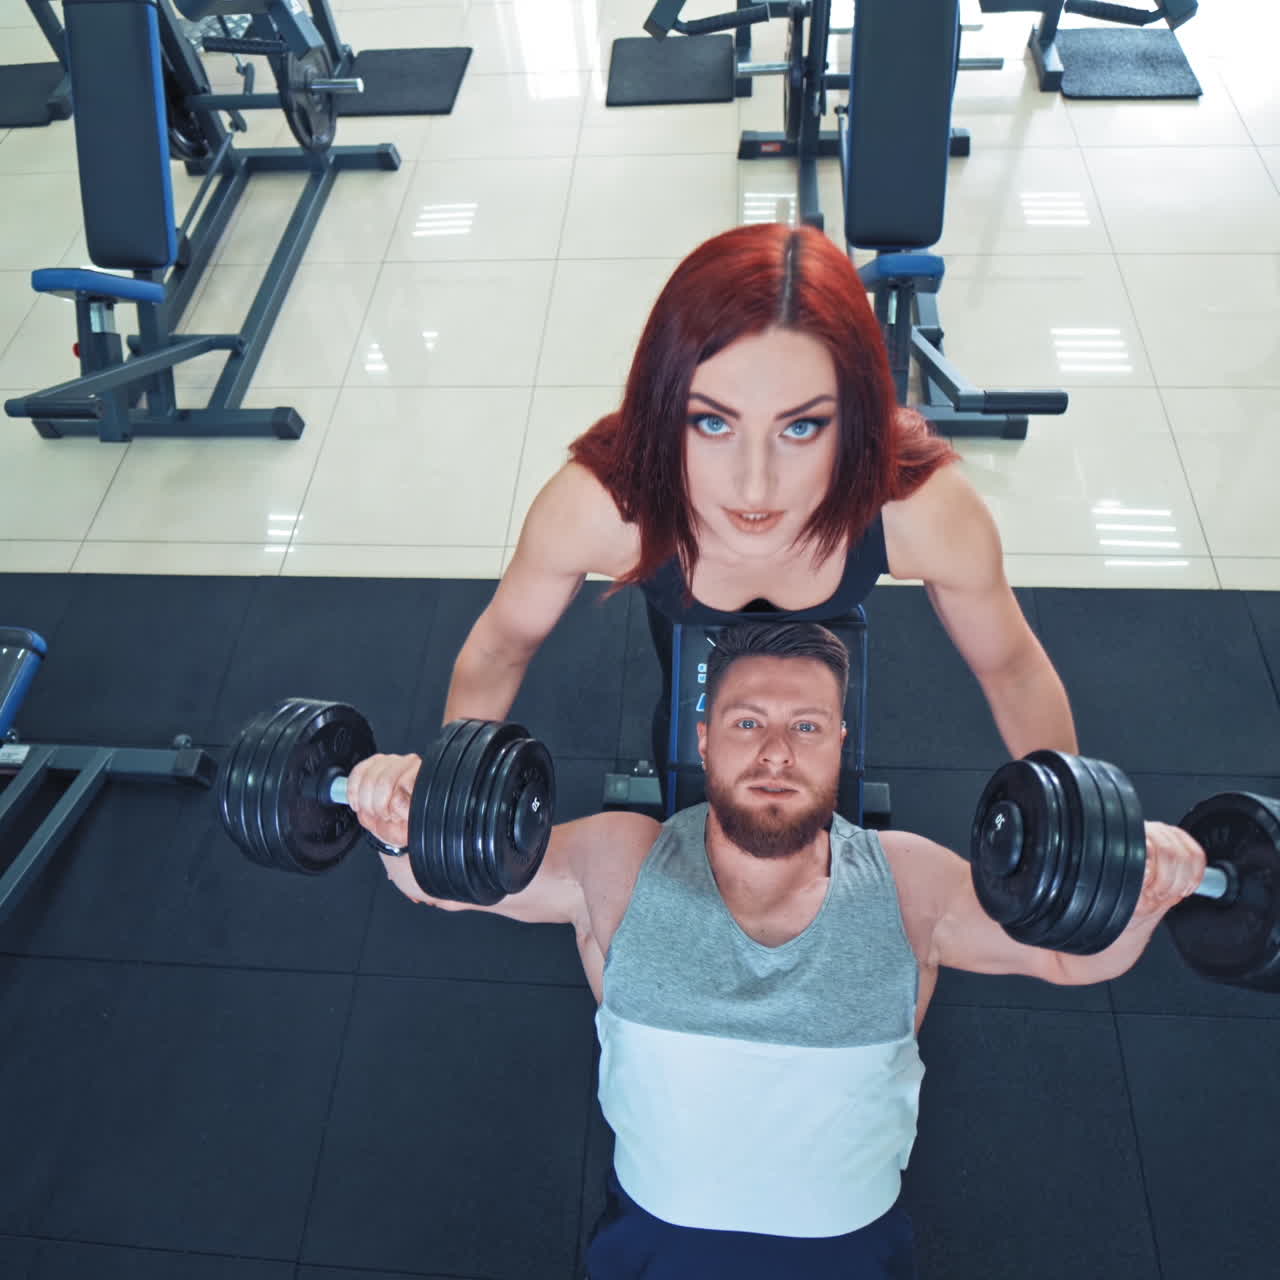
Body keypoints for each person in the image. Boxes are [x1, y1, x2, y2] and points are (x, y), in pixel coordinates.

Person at [348, 623, 1204, 1280]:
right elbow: (442, 880)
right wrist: (392, 822)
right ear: (703, 738)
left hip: (849, 1251)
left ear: (840, 743)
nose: (775, 753)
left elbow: (1068, 957)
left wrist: (1152, 894)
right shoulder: (618, 859)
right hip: (656, 1242)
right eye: (748, 721)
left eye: (806, 726)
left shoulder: (911, 882)